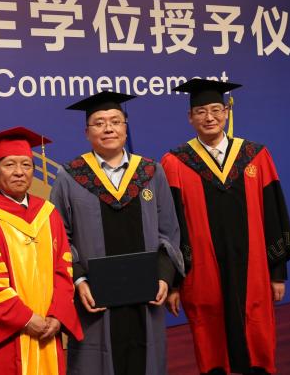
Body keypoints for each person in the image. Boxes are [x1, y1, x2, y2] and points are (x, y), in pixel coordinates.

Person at [161, 78, 290, 375]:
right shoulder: (175, 163)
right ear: (190, 117)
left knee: (256, 335)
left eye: (215, 110)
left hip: (255, 271)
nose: (209, 117)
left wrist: (277, 273)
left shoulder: (256, 156)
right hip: (202, 273)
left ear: (226, 112)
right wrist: (174, 283)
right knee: (211, 338)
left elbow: (275, 215)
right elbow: (171, 228)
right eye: (200, 111)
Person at [50, 92, 184, 375]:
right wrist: (79, 280)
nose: (108, 128)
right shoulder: (70, 177)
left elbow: (169, 230)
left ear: (125, 127)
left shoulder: (151, 172)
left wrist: (163, 276)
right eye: (99, 123)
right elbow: (58, 238)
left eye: (115, 121)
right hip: (95, 296)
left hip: (146, 293)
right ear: (87, 132)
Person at [0, 126, 83, 375]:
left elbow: (63, 269)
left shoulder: (48, 214)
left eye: (26, 165)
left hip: (48, 329)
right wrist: (26, 319)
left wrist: (57, 314)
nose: (19, 172)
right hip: (6, 336)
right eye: (9, 165)